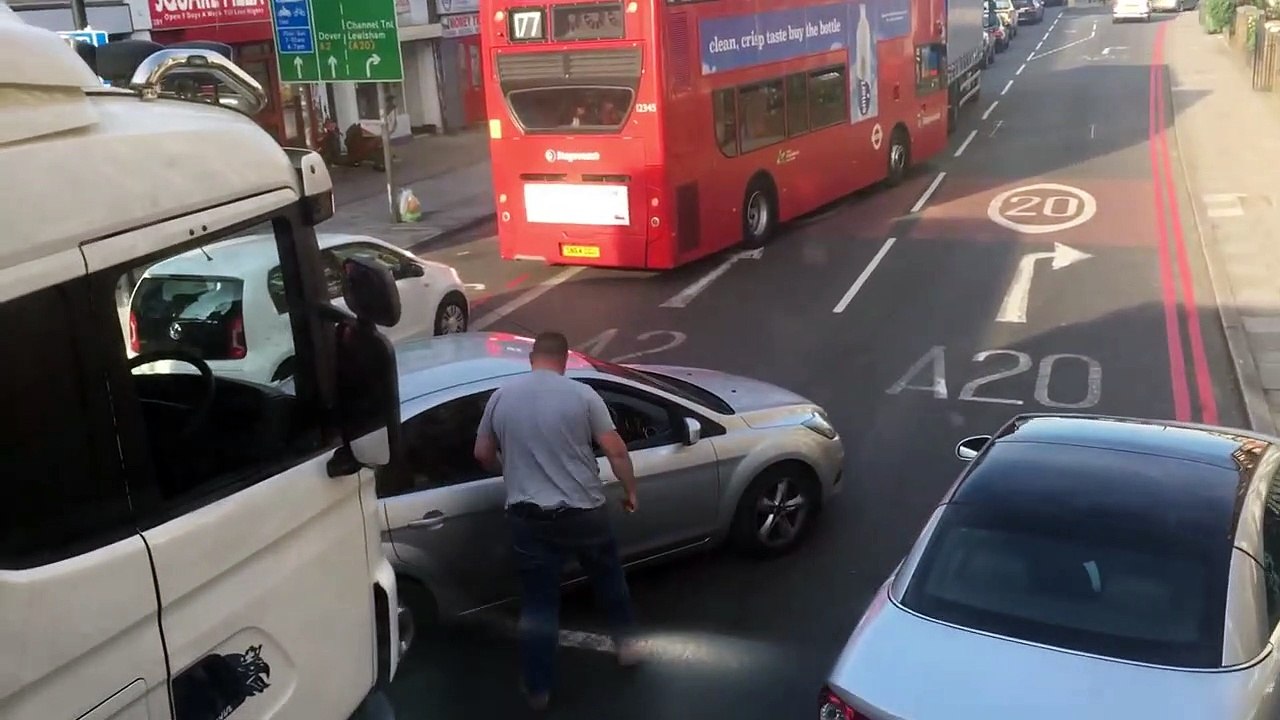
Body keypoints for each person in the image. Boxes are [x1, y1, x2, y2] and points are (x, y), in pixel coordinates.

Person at [473, 331, 641, 711]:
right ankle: (627, 646)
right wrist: (630, 490)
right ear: (564, 360)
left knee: (539, 604)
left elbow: (481, 452)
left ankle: (538, 688)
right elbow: (615, 449)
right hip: (584, 513)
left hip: (529, 519)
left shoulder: (501, 397)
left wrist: (509, 470)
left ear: (532, 358)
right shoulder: (582, 395)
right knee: (609, 578)